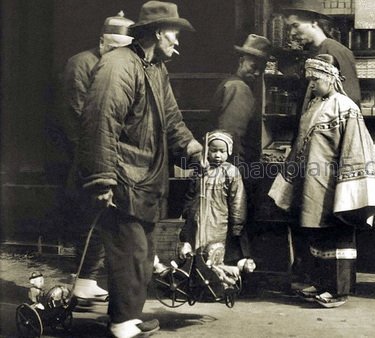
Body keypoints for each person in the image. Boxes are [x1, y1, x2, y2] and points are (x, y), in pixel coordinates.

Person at [78, 2, 203, 337]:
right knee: (129, 251)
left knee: (142, 253)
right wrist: (103, 179)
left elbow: (172, 118)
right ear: (159, 31)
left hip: (144, 178)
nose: (177, 42)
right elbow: (100, 123)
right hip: (121, 177)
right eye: (175, 33)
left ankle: (128, 315)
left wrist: (191, 145)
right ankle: (121, 323)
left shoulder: (154, 67)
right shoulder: (117, 66)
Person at [269, 54, 375, 308]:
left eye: (316, 79)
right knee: (317, 233)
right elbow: (301, 144)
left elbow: (355, 146)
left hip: (336, 183)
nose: (312, 84)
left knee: (338, 233)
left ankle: (339, 290)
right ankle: (321, 284)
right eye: (309, 80)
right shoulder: (314, 105)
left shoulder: (346, 107)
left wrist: (349, 182)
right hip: (313, 182)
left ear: (331, 78)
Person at [61, 10, 134, 303]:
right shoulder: (81, 64)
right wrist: (94, 159)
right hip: (86, 154)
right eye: (113, 49)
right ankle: (82, 280)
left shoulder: (119, 67)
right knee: (90, 218)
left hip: (112, 153)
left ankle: (88, 279)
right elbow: (77, 115)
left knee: (107, 218)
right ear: (102, 42)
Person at [178, 130, 252, 269]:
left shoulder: (231, 172)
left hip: (219, 221)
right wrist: (187, 214)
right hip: (198, 220)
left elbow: (238, 200)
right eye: (214, 150)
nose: (217, 155)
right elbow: (190, 195)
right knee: (196, 251)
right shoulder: (200, 170)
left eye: (222, 151)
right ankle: (197, 278)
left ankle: (218, 280)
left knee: (215, 253)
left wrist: (237, 224)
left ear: (228, 151)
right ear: (207, 151)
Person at [281, 7, 361, 106]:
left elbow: (350, 99)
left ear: (314, 22)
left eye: (296, 25)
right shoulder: (313, 52)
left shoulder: (336, 50)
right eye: (290, 28)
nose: (292, 32)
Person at [215, 34, 272, 167]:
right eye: (253, 67)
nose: (257, 73)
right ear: (241, 61)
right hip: (235, 168)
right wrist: (235, 173)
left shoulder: (231, 83)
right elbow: (232, 137)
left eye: (261, 69)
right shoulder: (238, 88)